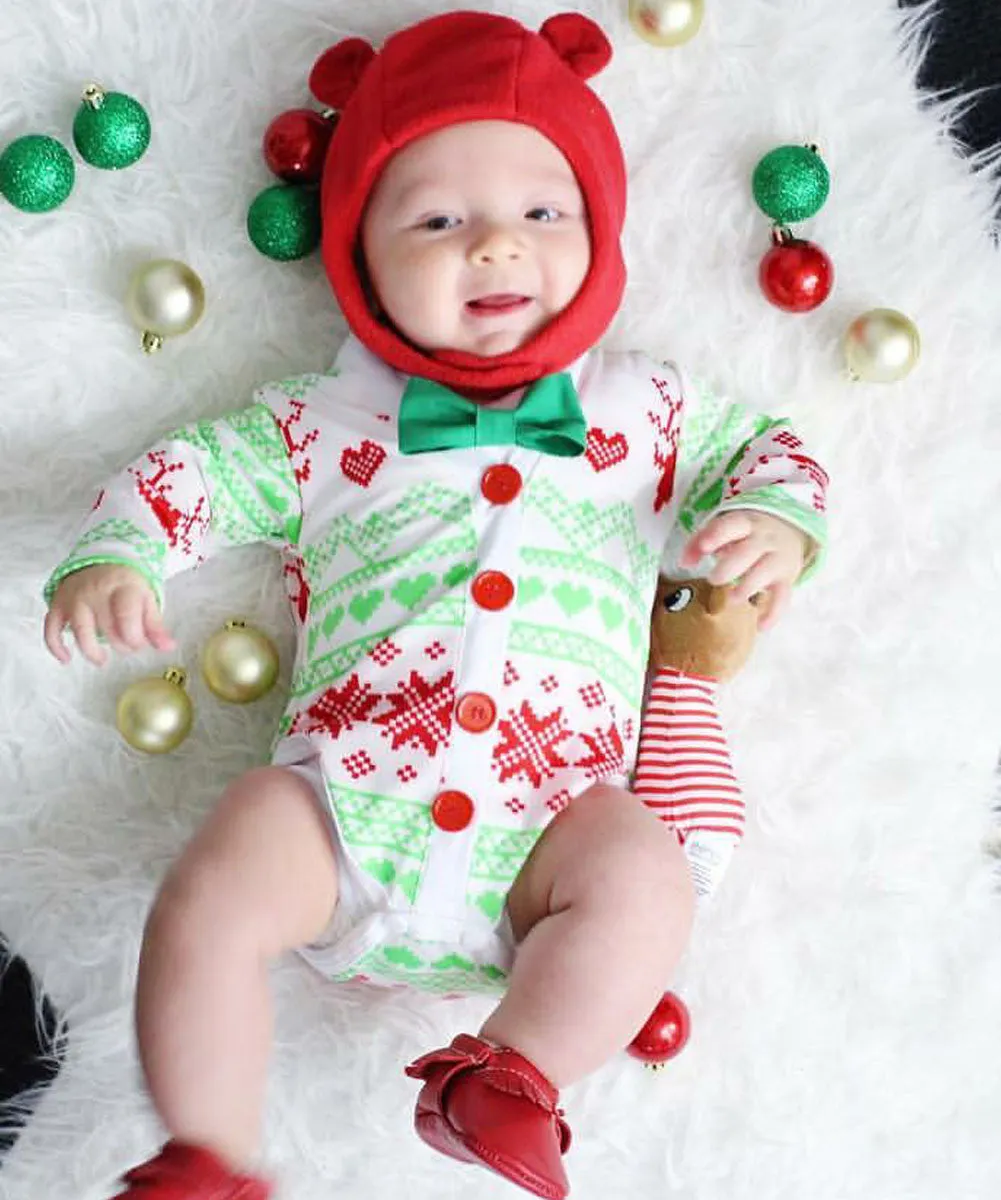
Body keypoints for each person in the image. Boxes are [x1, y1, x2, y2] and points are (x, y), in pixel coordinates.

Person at [42, 11, 828, 1200]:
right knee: (215, 875)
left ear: (598, 231)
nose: (495, 249)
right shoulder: (319, 422)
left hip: (547, 846)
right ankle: (204, 1149)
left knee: (647, 874)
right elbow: (192, 470)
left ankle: (510, 1076)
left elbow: (772, 448)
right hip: (342, 823)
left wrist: (774, 518)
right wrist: (122, 552)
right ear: (360, 254)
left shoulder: (645, 410)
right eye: (438, 220)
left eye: (540, 214)